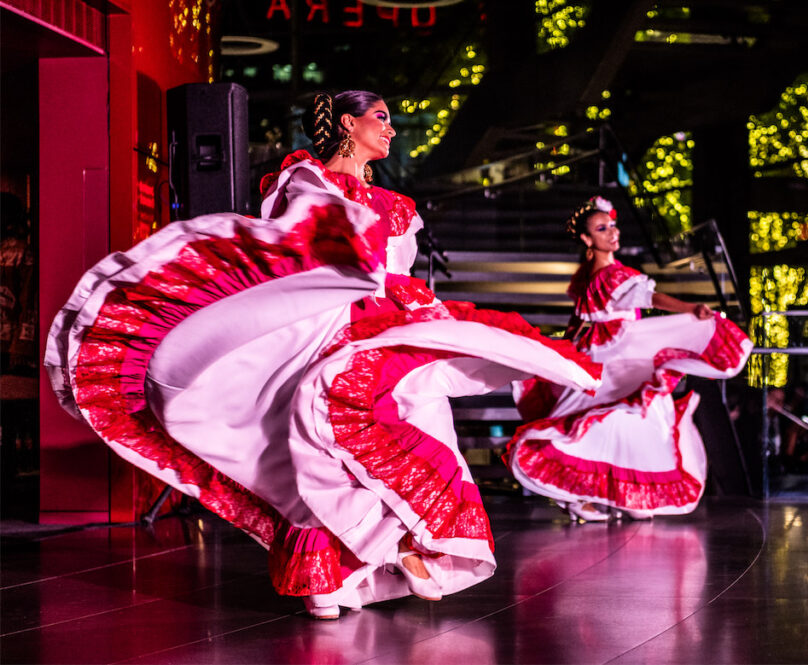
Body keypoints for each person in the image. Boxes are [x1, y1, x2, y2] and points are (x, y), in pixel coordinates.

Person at [45, 90, 601, 619]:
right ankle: (335, 577)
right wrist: (348, 253)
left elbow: (398, 269)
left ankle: (369, 563)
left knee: (414, 424)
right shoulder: (306, 177)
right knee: (307, 451)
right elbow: (299, 238)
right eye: (379, 117)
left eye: (389, 119)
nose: (390, 128)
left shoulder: (399, 206)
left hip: (389, 328)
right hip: (322, 325)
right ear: (346, 124)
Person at [506, 196, 752, 521]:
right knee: (619, 421)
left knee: (619, 423)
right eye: (602, 228)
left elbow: (593, 318)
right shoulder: (611, 275)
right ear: (586, 239)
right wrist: (689, 309)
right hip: (612, 358)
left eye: (612, 225)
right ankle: (596, 497)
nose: (612, 232)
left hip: (607, 354)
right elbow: (650, 296)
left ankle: (610, 497)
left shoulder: (591, 274)